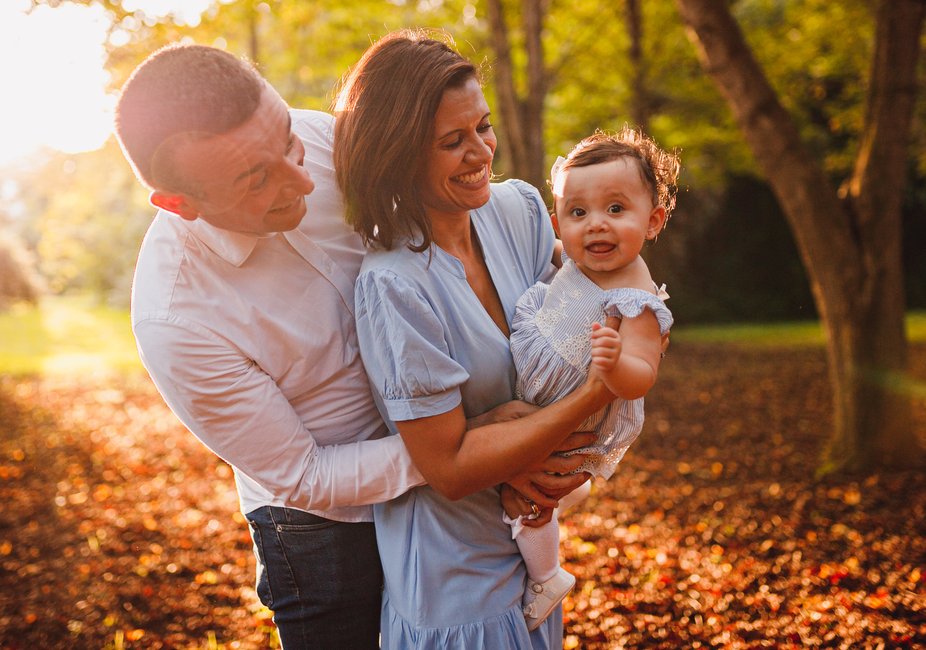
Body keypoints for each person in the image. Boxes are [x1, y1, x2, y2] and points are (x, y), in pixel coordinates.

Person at [113, 44, 589, 650]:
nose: (305, 176)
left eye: (286, 139)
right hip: (325, 531)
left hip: (455, 490)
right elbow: (304, 474)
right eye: (257, 178)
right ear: (180, 204)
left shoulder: (324, 140)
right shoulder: (177, 319)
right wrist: (462, 449)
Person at [333, 29, 657, 649]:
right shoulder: (393, 285)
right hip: (455, 580)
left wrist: (571, 456)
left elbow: (591, 310)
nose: (482, 152)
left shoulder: (521, 211)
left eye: (482, 127)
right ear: (397, 155)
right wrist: (588, 400)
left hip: (535, 551)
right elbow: (450, 468)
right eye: (453, 142)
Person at [505, 128, 679, 629]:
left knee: (531, 505)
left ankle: (546, 575)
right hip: (542, 396)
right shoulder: (578, 260)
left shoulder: (636, 300)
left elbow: (644, 374)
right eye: (579, 213)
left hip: (569, 417)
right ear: (559, 220)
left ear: (653, 221)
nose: (596, 226)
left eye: (616, 210)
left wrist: (614, 364)